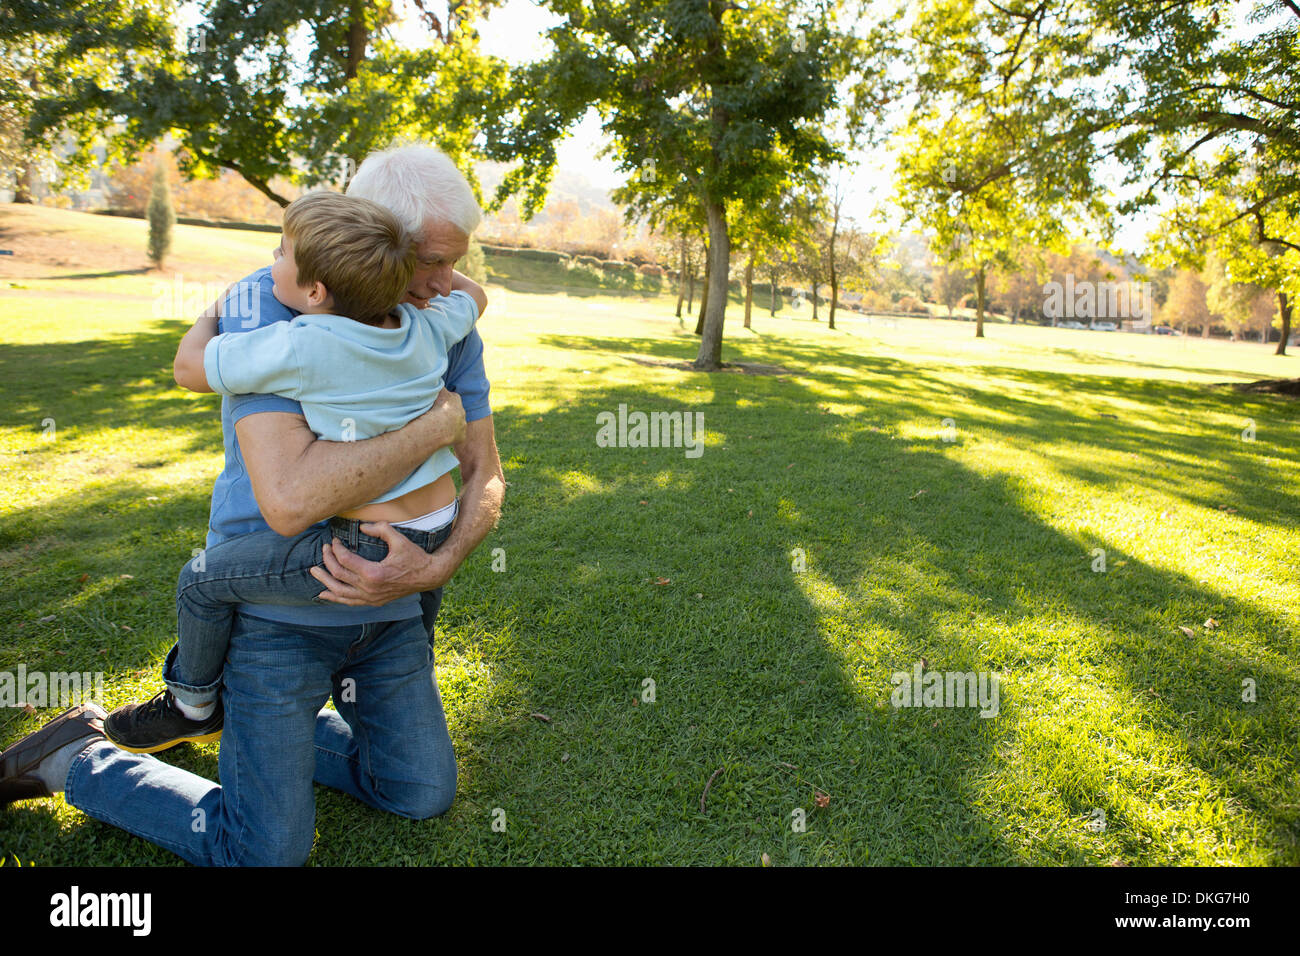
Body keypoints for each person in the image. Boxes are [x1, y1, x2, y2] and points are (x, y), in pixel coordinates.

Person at [0, 144, 506, 865]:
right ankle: (81, 758)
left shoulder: (437, 312)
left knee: (419, 792)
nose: (445, 282)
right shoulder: (276, 313)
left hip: (392, 609)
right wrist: (433, 424)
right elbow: (293, 501)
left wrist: (438, 563)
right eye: (428, 260)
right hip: (281, 618)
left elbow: (486, 468)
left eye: (455, 261)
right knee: (265, 854)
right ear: (364, 239)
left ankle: (234, 719)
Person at [101, 188, 488, 753]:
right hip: (438, 523)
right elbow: (473, 297)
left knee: (201, 581)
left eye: (279, 256)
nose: (270, 267)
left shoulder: (299, 343)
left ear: (315, 291)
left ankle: (192, 702)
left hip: (367, 542)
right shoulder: (426, 327)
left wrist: (223, 305)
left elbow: (187, 368)